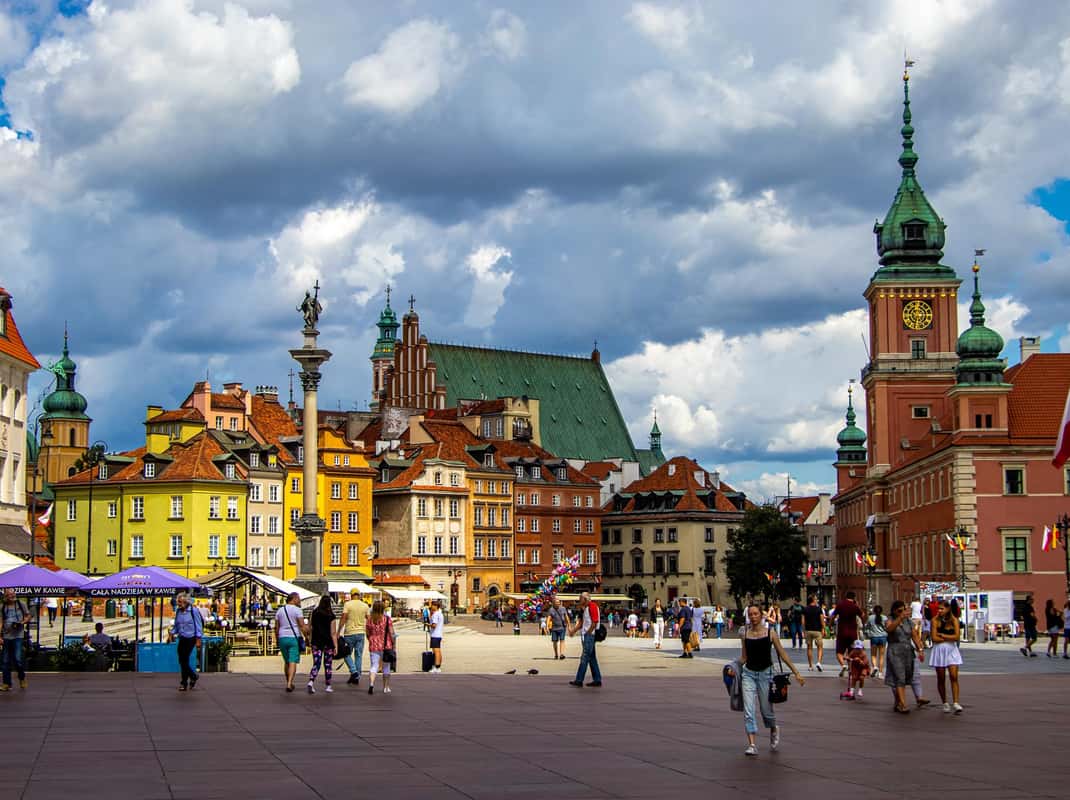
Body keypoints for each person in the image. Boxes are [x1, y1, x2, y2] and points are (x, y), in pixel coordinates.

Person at [738, 603, 805, 756]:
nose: (753, 617)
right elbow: (744, 657)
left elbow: (782, 654)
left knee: (766, 710)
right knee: (749, 710)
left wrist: (796, 672)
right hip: (748, 674)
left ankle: (774, 727)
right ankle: (752, 744)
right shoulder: (744, 633)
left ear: (761, 615)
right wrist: (732, 667)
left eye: (756, 614)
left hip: (765, 674)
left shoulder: (770, 633)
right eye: (751, 614)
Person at [884, 600, 924, 713]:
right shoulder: (890, 620)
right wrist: (899, 618)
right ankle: (903, 704)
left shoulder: (909, 621)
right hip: (895, 651)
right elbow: (889, 629)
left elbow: (914, 636)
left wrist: (920, 649)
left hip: (907, 651)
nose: (902, 612)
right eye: (899, 610)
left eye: (904, 610)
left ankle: (898, 701)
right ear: (894, 611)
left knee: (907, 677)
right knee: (899, 677)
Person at [930, 599, 963, 713]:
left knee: (954, 676)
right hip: (939, 650)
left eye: (942, 608)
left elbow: (957, 637)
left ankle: (956, 702)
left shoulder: (954, 620)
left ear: (948, 609)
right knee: (941, 677)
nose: (939, 611)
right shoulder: (934, 620)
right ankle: (944, 702)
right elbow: (934, 638)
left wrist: (943, 635)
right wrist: (949, 637)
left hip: (952, 649)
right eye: (938, 608)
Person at [275, 591, 309, 693]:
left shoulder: (280, 610)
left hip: (282, 637)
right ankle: (289, 683)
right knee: (293, 661)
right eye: (298, 598)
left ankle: (288, 681)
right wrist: (307, 637)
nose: (299, 600)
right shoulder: (298, 610)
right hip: (293, 638)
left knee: (286, 661)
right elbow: (302, 626)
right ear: (293, 599)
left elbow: (276, 627)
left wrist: (277, 638)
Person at [169, 592, 204, 692]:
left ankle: (184, 682)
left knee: (184, 659)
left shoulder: (194, 611)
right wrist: (171, 633)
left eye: (180, 602)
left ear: (185, 602)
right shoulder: (178, 611)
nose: (178, 604)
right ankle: (192, 676)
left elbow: (198, 625)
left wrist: (198, 639)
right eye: (178, 602)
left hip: (191, 638)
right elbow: (176, 625)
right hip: (182, 637)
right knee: (182, 660)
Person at [568, 592, 602, 687]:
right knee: (592, 658)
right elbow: (583, 622)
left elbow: (595, 622)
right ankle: (597, 679)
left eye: (580, 599)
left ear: (585, 599)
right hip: (587, 635)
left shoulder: (592, 606)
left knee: (585, 657)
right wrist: (574, 631)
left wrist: (588, 632)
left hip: (589, 636)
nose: (579, 600)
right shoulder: (586, 608)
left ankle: (579, 680)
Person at [0, 589, 30, 691]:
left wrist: (22, 622)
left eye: (13, 594)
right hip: (6, 636)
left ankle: (22, 678)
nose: (11, 596)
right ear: (5, 596)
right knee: (5, 661)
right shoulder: (2, 607)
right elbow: (1, 621)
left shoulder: (21, 604)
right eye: (9, 595)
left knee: (18, 659)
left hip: (18, 636)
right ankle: (6, 683)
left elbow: (28, 616)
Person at [307, 595, 337, 694]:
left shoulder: (314, 613)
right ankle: (328, 685)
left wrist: (310, 639)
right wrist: (335, 645)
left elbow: (310, 627)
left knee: (316, 663)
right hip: (328, 642)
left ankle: (311, 681)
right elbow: (333, 633)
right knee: (328, 664)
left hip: (316, 641)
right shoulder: (331, 615)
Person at [829, 591, 864, 676]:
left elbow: (833, 616)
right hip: (852, 633)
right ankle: (850, 670)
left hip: (842, 632)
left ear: (846, 596)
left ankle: (843, 665)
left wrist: (830, 624)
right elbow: (862, 615)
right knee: (851, 652)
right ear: (854, 597)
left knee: (839, 652)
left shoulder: (840, 605)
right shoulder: (854, 606)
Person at [340, 588, 369, 686]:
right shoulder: (365, 606)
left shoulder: (348, 604)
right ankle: (357, 675)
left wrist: (338, 630)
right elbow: (368, 619)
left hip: (349, 633)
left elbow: (343, 617)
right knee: (359, 655)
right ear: (359, 595)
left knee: (346, 653)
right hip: (361, 633)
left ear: (351, 595)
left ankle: (353, 671)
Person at [366, 600, 395, 694]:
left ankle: (371, 683)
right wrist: (393, 643)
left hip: (373, 644)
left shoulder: (370, 619)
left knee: (374, 666)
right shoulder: (387, 619)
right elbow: (391, 633)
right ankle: (386, 687)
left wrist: (371, 639)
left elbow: (367, 633)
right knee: (386, 666)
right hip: (386, 645)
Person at [802, 595, 825, 671]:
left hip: (808, 630)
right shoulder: (819, 609)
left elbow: (803, 621)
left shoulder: (805, 609)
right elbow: (822, 620)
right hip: (817, 630)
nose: (817, 600)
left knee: (809, 648)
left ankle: (810, 666)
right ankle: (818, 662)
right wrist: (823, 629)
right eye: (816, 599)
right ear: (813, 600)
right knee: (820, 647)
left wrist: (804, 630)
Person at [865, 605, 888, 679]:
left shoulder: (870, 617)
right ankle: (880, 673)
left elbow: (867, 627)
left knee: (873, 655)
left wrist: (868, 633)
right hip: (883, 637)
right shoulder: (885, 618)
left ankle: (875, 667)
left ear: (874, 611)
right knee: (881, 656)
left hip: (874, 637)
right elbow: (887, 627)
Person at [429, 600, 445, 672]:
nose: (431, 607)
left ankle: (436, 667)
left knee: (436, 651)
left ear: (436, 606)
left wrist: (427, 624)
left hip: (435, 634)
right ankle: (438, 666)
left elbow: (434, 625)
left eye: (432, 605)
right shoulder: (440, 614)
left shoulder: (435, 614)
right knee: (438, 650)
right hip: (439, 634)